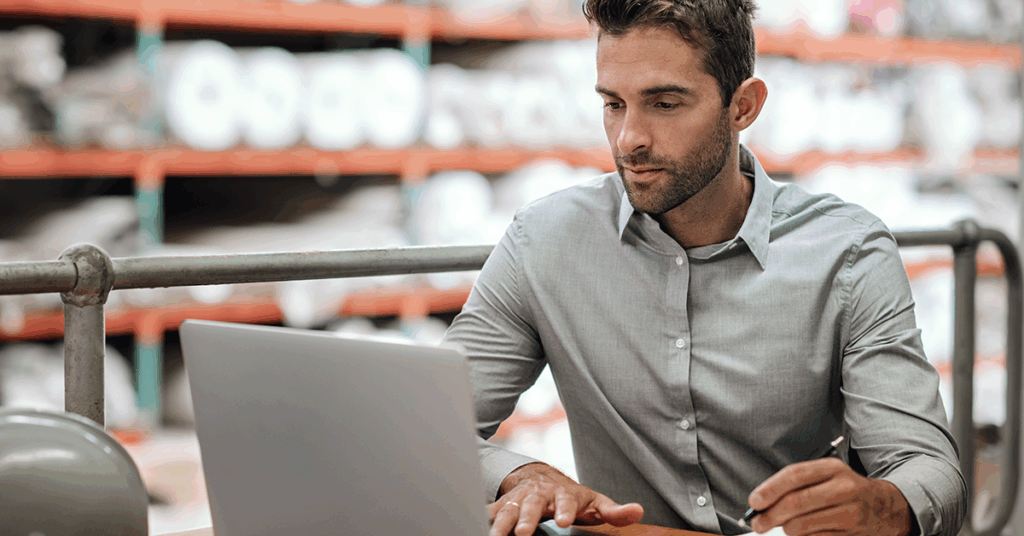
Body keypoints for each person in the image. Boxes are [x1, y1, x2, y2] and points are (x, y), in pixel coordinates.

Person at [442, 0, 968, 535]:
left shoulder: (847, 254)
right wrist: (521, 474)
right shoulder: (544, 241)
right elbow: (428, 427)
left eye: (665, 104)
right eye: (613, 104)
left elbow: (931, 471)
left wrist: (883, 503)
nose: (629, 139)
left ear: (743, 106)